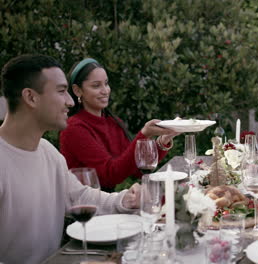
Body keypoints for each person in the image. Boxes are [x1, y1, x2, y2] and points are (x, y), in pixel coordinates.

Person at [0, 54, 141, 264]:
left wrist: (125, 200)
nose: (69, 101)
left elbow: (80, 197)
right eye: (61, 91)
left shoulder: (48, 153)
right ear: (31, 97)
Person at [60, 58, 178, 191]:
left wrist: (163, 140)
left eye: (106, 83)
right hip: (86, 206)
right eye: (96, 85)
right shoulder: (74, 128)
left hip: (108, 203)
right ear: (77, 91)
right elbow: (110, 175)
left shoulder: (112, 122)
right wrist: (144, 134)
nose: (105, 91)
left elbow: (137, 169)